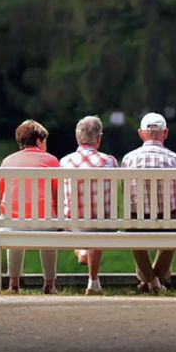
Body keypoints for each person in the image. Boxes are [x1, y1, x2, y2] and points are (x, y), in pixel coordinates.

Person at [121, 112, 176, 294]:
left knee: (132, 225)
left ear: (141, 133)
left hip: (137, 224)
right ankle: (155, 279)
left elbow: (125, 192)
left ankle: (150, 280)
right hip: (168, 224)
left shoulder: (128, 159)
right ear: (165, 133)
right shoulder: (175, 160)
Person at [0, 120, 59, 294]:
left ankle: (13, 283)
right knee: (49, 229)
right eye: (45, 141)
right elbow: (57, 192)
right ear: (39, 141)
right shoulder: (51, 160)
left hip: (12, 222)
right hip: (45, 222)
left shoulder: (8, 161)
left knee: (14, 228)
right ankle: (49, 283)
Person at [59, 116, 118, 295]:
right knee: (97, 221)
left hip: (72, 225)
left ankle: (81, 250)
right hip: (103, 225)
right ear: (99, 138)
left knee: (86, 221)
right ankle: (93, 282)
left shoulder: (64, 162)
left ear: (78, 139)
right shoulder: (110, 162)